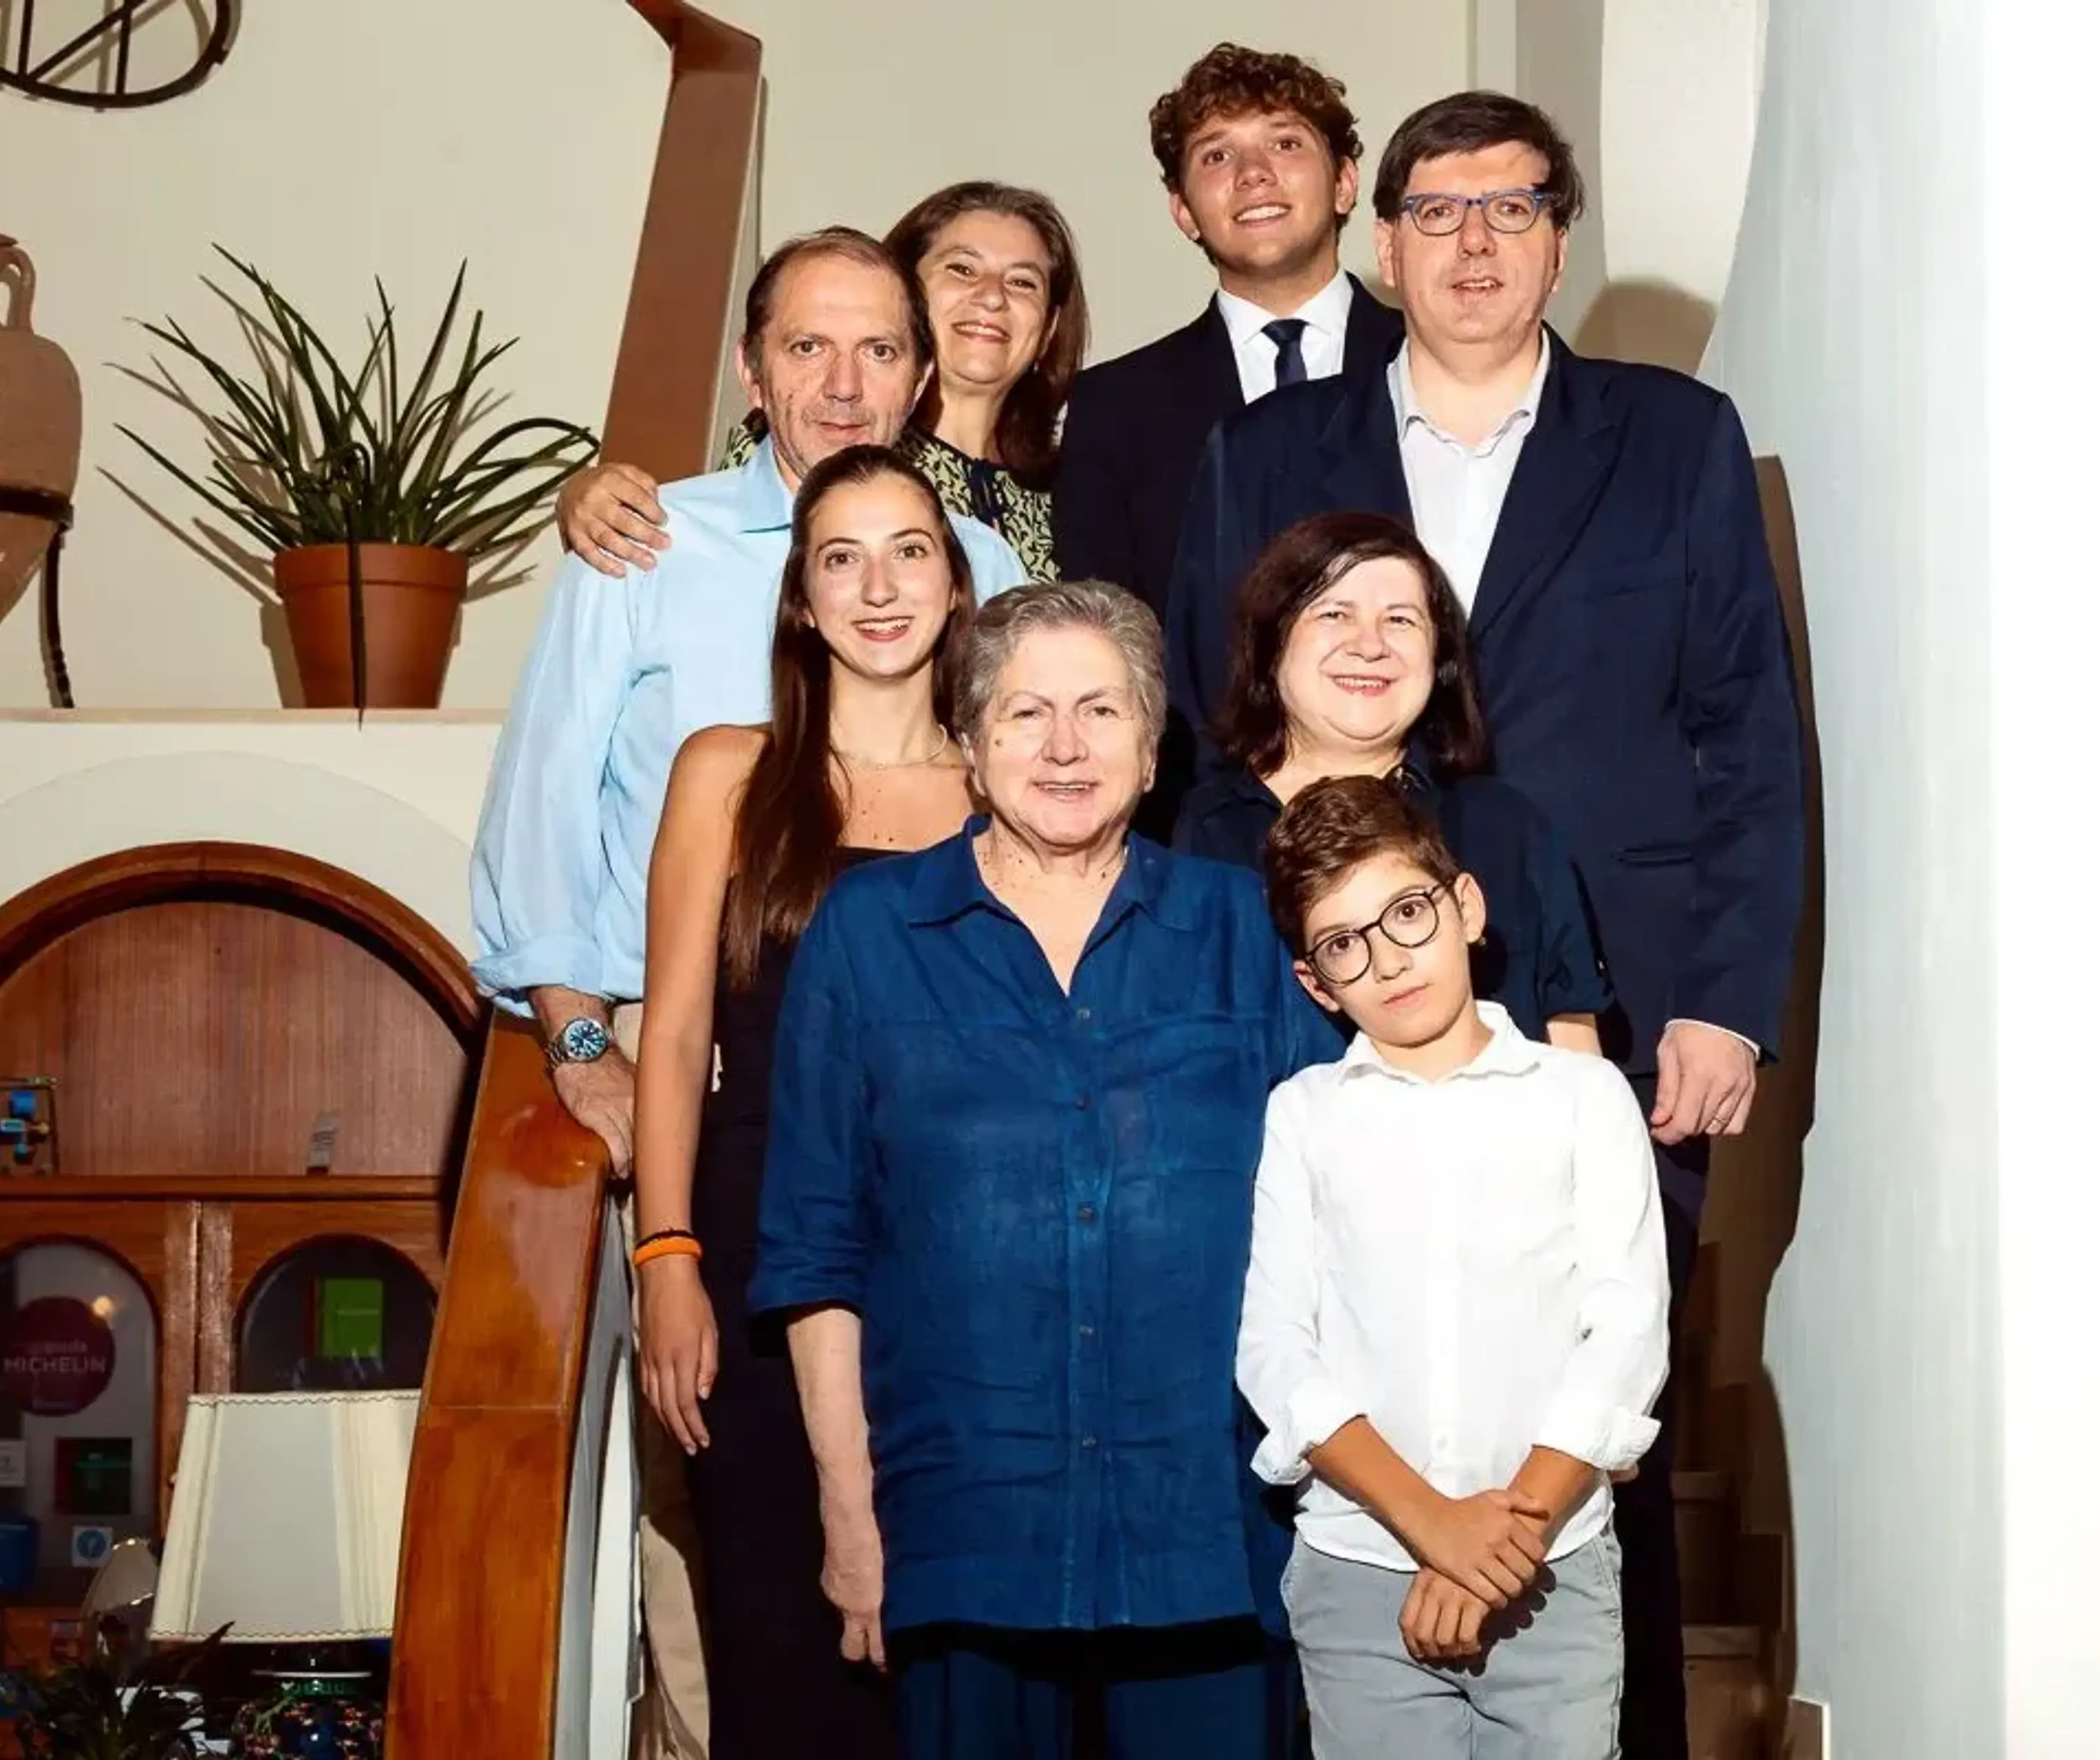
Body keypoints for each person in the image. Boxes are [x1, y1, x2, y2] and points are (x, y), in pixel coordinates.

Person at [1158, 90, 1806, 1760]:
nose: (1469, 243)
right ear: (1382, 240)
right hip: (1312, 990)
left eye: (1509, 209)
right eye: (1434, 211)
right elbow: (1197, 730)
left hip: (1613, 1016)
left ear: (1557, 240)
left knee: (1596, 1407)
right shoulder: (1264, 454)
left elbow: (1748, 737)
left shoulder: (1671, 437)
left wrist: (1727, 1005)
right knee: (1322, 1374)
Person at [469, 225, 1027, 1760]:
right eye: (806, 347)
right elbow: (542, 805)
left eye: (878, 349)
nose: (843, 381)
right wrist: (580, 1035)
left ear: (925, 376)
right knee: (726, 1540)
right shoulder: (643, 539)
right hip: (691, 1037)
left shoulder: (992, 569)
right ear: (751, 370)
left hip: (950, 1147)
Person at [748, 581, 1342, 1760]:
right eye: (1024, 715)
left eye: (1101, 712)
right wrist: (850, 1510)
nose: (1065, 748)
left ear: (1152, 742)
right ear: (969, 746)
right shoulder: (868, 936)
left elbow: (1351, 1211)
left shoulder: (1247, 932)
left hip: (1213, 1533)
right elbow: (817, 1252)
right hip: (959, 1529)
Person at [630, 444, 980, 1760]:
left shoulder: (1010, 784)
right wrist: (668, 1258)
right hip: (754, 1247)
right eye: (842, 556)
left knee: (944, 1636)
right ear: (802, 597)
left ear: (956, 584)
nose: (878, 587)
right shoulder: (728, 770)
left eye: (909, 552)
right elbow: (671, 1037)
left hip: (953, 1259)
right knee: (781, 1628)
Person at [1238, 773, 1670, 1759]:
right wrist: (1433, 1525)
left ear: (1465, 906)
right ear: (1316, 982)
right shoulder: (1304, 1115)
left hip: (1550, 1567)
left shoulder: (1581, 1096)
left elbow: (1625, 1332)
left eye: (1408, 914)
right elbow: (1276, 1351)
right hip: (1360, 1573)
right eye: (1345, 944)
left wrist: (1495, 1541)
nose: (1388, 959)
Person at [1173, 510, 1606, 1052]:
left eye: (1400, 620)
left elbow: (1574, 1053)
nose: (1370, 645)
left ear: (1440, 658)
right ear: (1272, 643)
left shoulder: (1504, 828)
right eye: (1334, 614)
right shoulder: (1201, 837)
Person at [559, 183, 1087, 581]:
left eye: (1022, 282)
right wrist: (585, 497)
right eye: (962, 270)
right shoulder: (824, 437)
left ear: (1048, 329)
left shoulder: (1070, 485)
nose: (992, 297)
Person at [1050, 43, 1405, 619]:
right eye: (1216, 156)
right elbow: (1105, 642)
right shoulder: (1113, 408)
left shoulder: (1433, 361)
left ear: (1345, 182)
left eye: (1285, 144)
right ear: (1184, 211)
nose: (1254, 175)